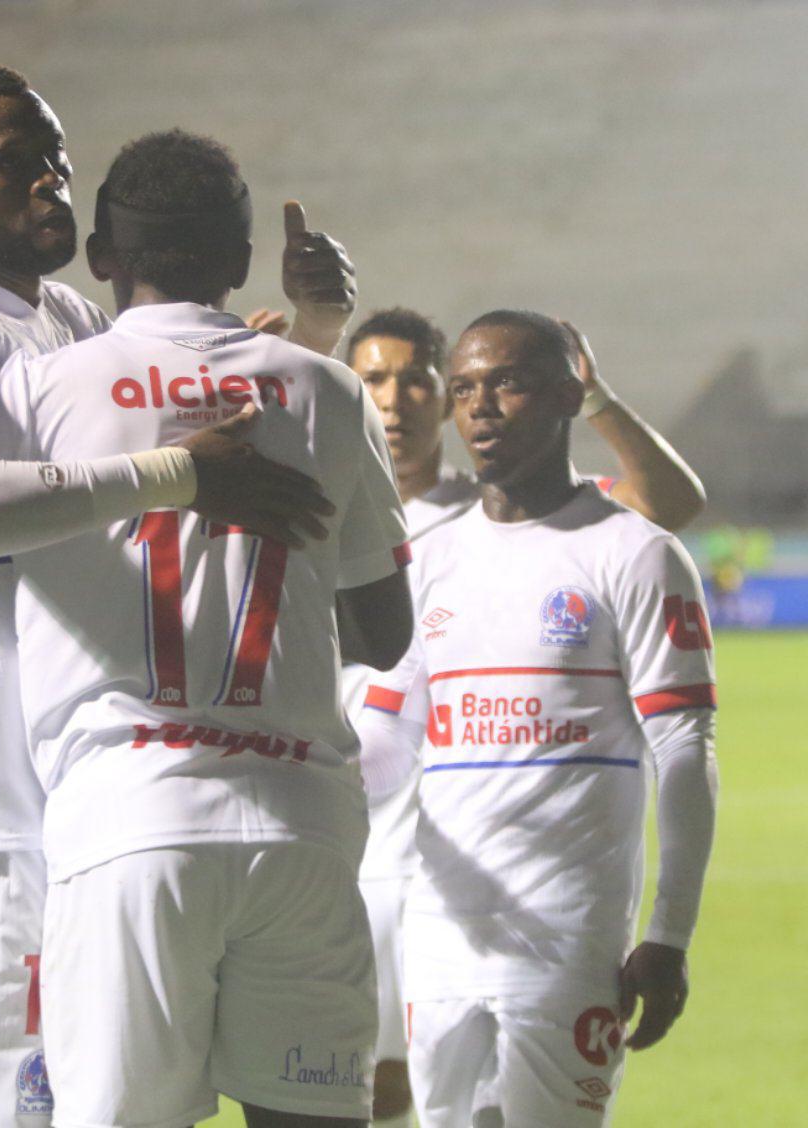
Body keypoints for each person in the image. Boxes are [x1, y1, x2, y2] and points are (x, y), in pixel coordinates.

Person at [0, 62, 355, 1128]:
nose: (48, 182)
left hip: (92, 808)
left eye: (57, 161)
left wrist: (307, 337)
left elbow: (204, 429)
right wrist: (179, 473)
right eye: (10, 167)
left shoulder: (73, 324)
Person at [0, 127, 412, 1128]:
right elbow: (385, 633)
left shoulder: (40, 390)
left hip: (129, 826)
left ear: (100, 259)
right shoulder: (331, 390)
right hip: (301, 824)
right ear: (239, 261)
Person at [341, 306, 707, 1128]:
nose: (481, 406)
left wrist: (670, 934)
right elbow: (392, 732)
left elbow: (685, 746)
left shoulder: (633, 551)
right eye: (468, 388)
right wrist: (305, 789)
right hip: (437, 923)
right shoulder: (427, 558)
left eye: (507, 383)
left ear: (569, 395)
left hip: (567, 932)